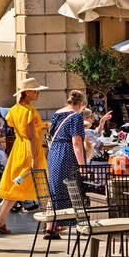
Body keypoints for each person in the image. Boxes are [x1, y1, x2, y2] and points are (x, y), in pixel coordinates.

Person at [0, 78, 48, 235]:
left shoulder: (15, 109)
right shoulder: (29, 111)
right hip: (30, 149)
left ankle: (0, 220)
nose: (37, 93)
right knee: (42, 185)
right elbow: (31, 136)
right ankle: (49, 225)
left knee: (17, 185)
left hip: (19, 148)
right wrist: (33, 158)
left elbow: (17, 127)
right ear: (26, 92)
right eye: (34, 91)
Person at [46, 90, 88, 225]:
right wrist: (82, 166)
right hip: (67, 154)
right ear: (81, 103)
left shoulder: (57, 114)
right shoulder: (76, 117)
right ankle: (64, 222)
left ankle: (50, 226)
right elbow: (76, 143)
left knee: (55, 189)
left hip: (54, 152)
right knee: (69, 189)